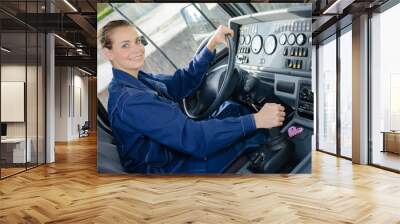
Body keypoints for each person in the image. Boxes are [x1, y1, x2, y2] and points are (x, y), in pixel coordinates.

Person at [99, 20, 286, 174]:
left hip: (174, 150)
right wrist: (257, 120)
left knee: (234, 109)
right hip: (171, 169)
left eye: (138, 41)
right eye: (125, 45)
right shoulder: (131, 101)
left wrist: (211, 45)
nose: (137, 49)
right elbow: (194, 139)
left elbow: (179, 84)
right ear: (108, 52)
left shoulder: (137, 79)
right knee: (256, 135)